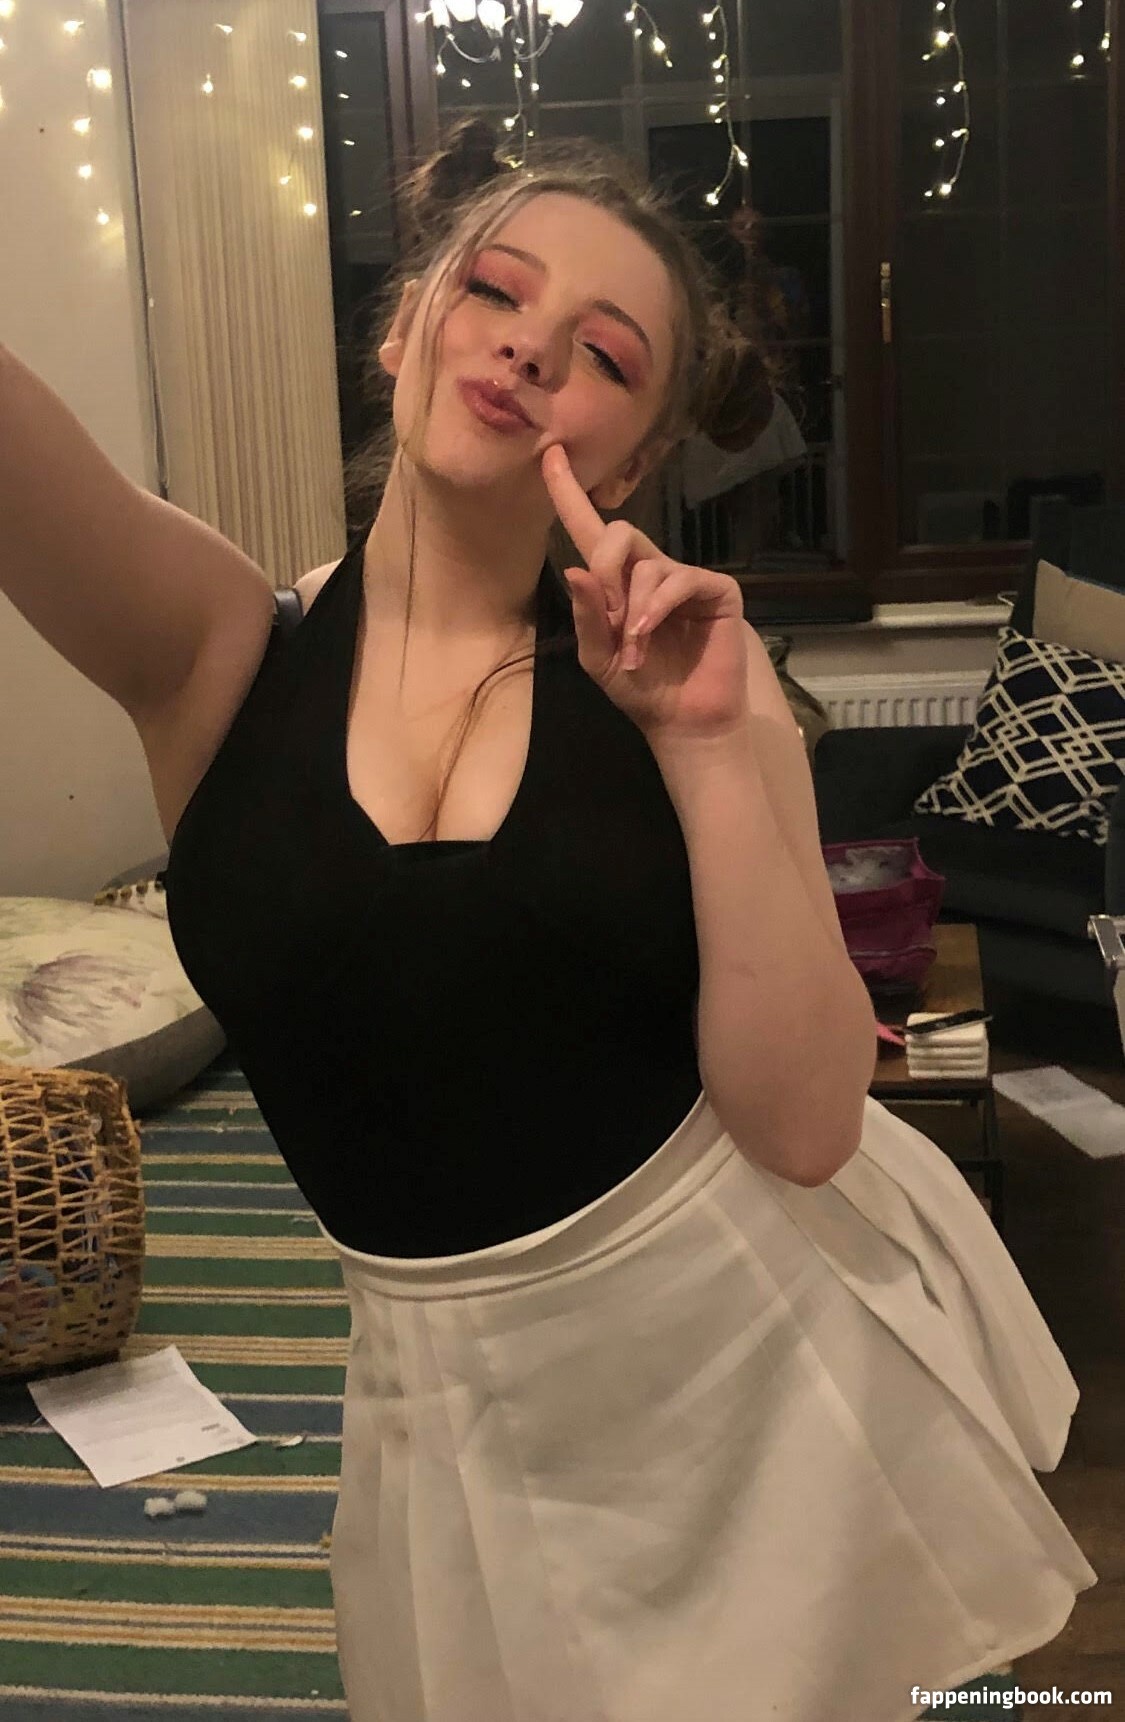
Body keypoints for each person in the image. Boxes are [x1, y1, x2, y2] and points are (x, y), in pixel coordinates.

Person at [0, 120, 1097, 1722]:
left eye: (604, 353)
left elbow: (805, 1125)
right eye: (495, 290)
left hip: (735, 1361)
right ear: (402, 328)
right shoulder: (216, 649)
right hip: (436, 1397)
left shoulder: (695, 681)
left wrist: (709, 744)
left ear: (632, 463)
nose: (530, 346)